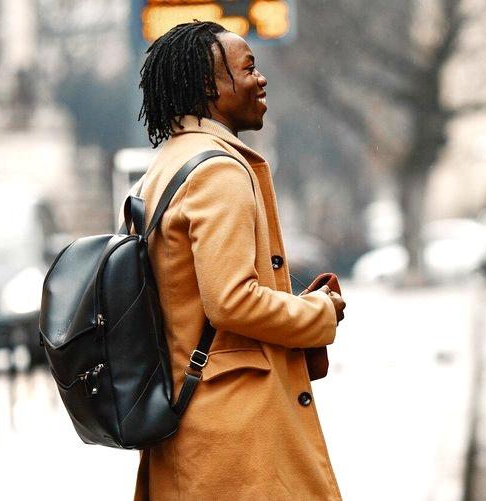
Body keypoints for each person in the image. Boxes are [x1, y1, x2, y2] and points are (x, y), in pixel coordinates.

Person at [132, 21, 347, 500]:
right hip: (233, 433)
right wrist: (318, 314)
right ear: (210, 86)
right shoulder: (217, 172)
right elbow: (230, 301)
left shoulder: (166, 165)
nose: (261, 79)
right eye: (248, 68)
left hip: (190, 417)